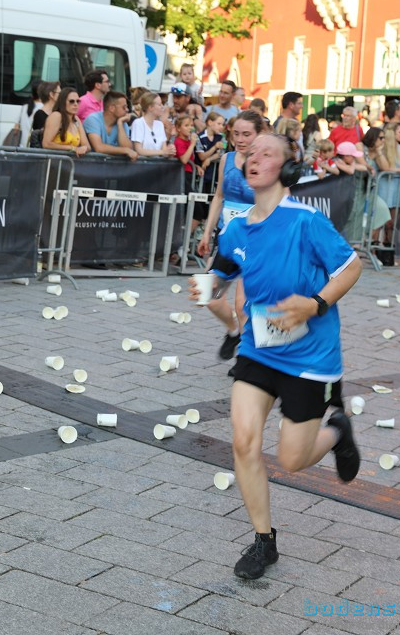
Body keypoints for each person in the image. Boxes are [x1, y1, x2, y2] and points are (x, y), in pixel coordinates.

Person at [190, 133, 363, 581]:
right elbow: (224, 272)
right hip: (259, 349)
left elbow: (350, 267)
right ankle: (264, 541)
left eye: (267, 153)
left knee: (292, 459)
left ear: (287, 169)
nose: (254, 158)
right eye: (250, 153)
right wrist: (207, 287)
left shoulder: (306, 222)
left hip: (310, 357)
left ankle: (337, 431)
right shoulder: (237, 227)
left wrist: (315, 304)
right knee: (244, 440)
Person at [198, 110, 265, 358]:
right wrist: (206, 233)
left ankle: (247, 358)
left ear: (258, 135)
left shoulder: (265, 162)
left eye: (247, 134)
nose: (241, 139)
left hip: (255, 242)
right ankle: (233, 331)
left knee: (242, 304)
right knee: (209, 296)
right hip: (227, 240)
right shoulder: (227, 159)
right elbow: (219, 196)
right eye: (236, 133)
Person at [83, 91, 136, 160]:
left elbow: (128, 148)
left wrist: (120, 123)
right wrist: (125, 150)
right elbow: (99, 148)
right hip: (92, 165)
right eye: (124, 107)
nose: (127, 110)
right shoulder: (93, 119)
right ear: (112, 108)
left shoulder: (122, 122)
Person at [42, 87, 89, 156]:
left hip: (71, 163)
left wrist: (84, 148)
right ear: (63, 102)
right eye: (71, 101)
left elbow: (87, 145)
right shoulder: (56, 116)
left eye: (78, 101)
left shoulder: (76, 119)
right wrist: (72, 148)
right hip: (54, 161)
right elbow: (46, 144)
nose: (76, 104)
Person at [130, 92, 177, 158]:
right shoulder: (138, 123)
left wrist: (170, 151)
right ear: (150, 107)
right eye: (159, 104)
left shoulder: (160, 124)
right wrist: (163, 151)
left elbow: (164, 151)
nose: (162, 107)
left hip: (158, 165)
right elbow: (139, 150)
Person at [27, 81, 58, 148]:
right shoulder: (39, 114)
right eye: (59, 93)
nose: (62, 96)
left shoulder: (58, 112)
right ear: (51, 95)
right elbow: (43, 139)